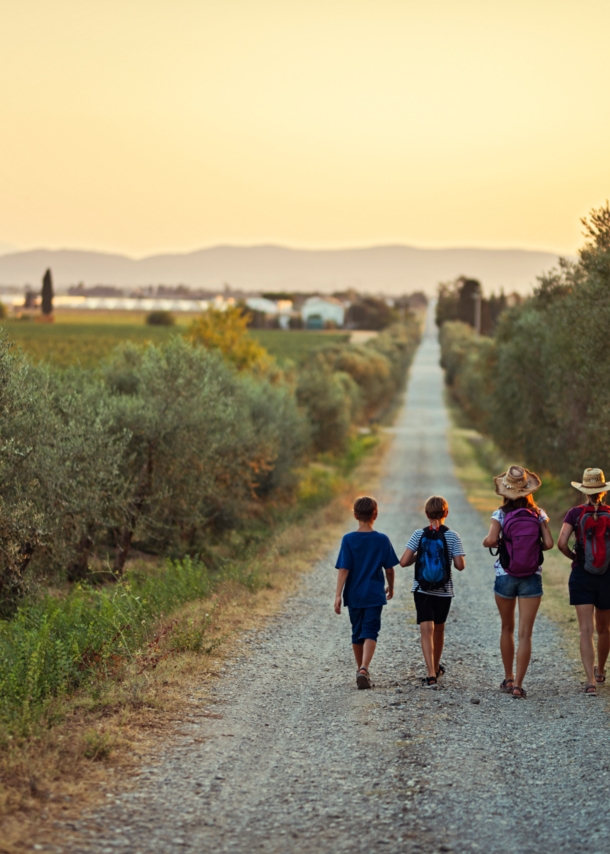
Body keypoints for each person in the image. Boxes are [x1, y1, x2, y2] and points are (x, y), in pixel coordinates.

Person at [482, 465, 553, 699]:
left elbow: (490, 540)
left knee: (507, 628)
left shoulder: (500, 514)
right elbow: (550, 543)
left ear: (506, 491)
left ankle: (508, 677)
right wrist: (532, 547)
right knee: (525, 634)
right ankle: (519, 686)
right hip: (532, 576)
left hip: (505, 575)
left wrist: (500, 542)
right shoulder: (538, 513)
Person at [400, 495, 466, 690]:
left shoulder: (418, 534)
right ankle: (436, 667)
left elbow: (403, 561)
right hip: (444, 591)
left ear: (426, 514)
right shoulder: (452, 535)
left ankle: (430, 675)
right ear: (446, 513)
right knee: (439, 629)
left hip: (422, 590)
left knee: (425, 630)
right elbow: (460, 565)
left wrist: (419, 556)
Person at [335, 496, 399, 689]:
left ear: (355, 515)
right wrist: (392, 586)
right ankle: (364, 668)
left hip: (353, 595)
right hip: (374, 595)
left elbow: (343, 569)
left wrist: (338, 594)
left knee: (357, 632)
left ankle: (360, 669)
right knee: (371, 631)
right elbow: (389, 569)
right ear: (376, 515)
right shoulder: (381, 539)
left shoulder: (348, 539)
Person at [557, 468, 610, 696]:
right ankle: (600, 671)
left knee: (585, 630)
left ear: (584, 490)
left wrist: (575, 558)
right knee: (604, 629)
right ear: (603, 491)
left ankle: (590, 681)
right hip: (607, 576)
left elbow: (561, 542)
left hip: (582, 575)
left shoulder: (574, 513)